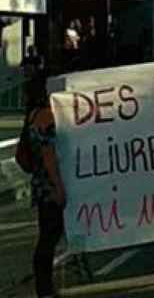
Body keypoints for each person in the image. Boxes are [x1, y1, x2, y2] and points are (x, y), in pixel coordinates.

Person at [25, 71, 64, 298]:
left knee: (47, 235)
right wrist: (58, 187)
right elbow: (49, 156)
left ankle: (45, 287)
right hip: (48, 186)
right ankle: (45, 289)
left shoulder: (32, 115)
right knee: (49, 237)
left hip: (40, 183)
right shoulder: (47, 117)